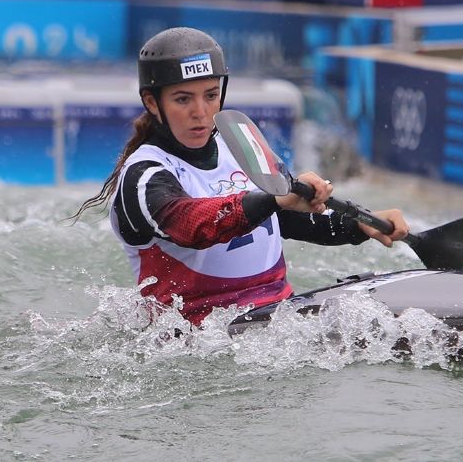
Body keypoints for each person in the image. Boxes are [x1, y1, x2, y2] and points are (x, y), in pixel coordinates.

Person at [74, 27, 409, 325]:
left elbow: (286, 219)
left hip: (277, 318)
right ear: (151, 102)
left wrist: (360, 224)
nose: (200, 112)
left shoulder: (242, 148)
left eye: (210, 95)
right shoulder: (144, 175)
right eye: (182, 99)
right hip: (194, 340)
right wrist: (274, 198)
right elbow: (192, 227)